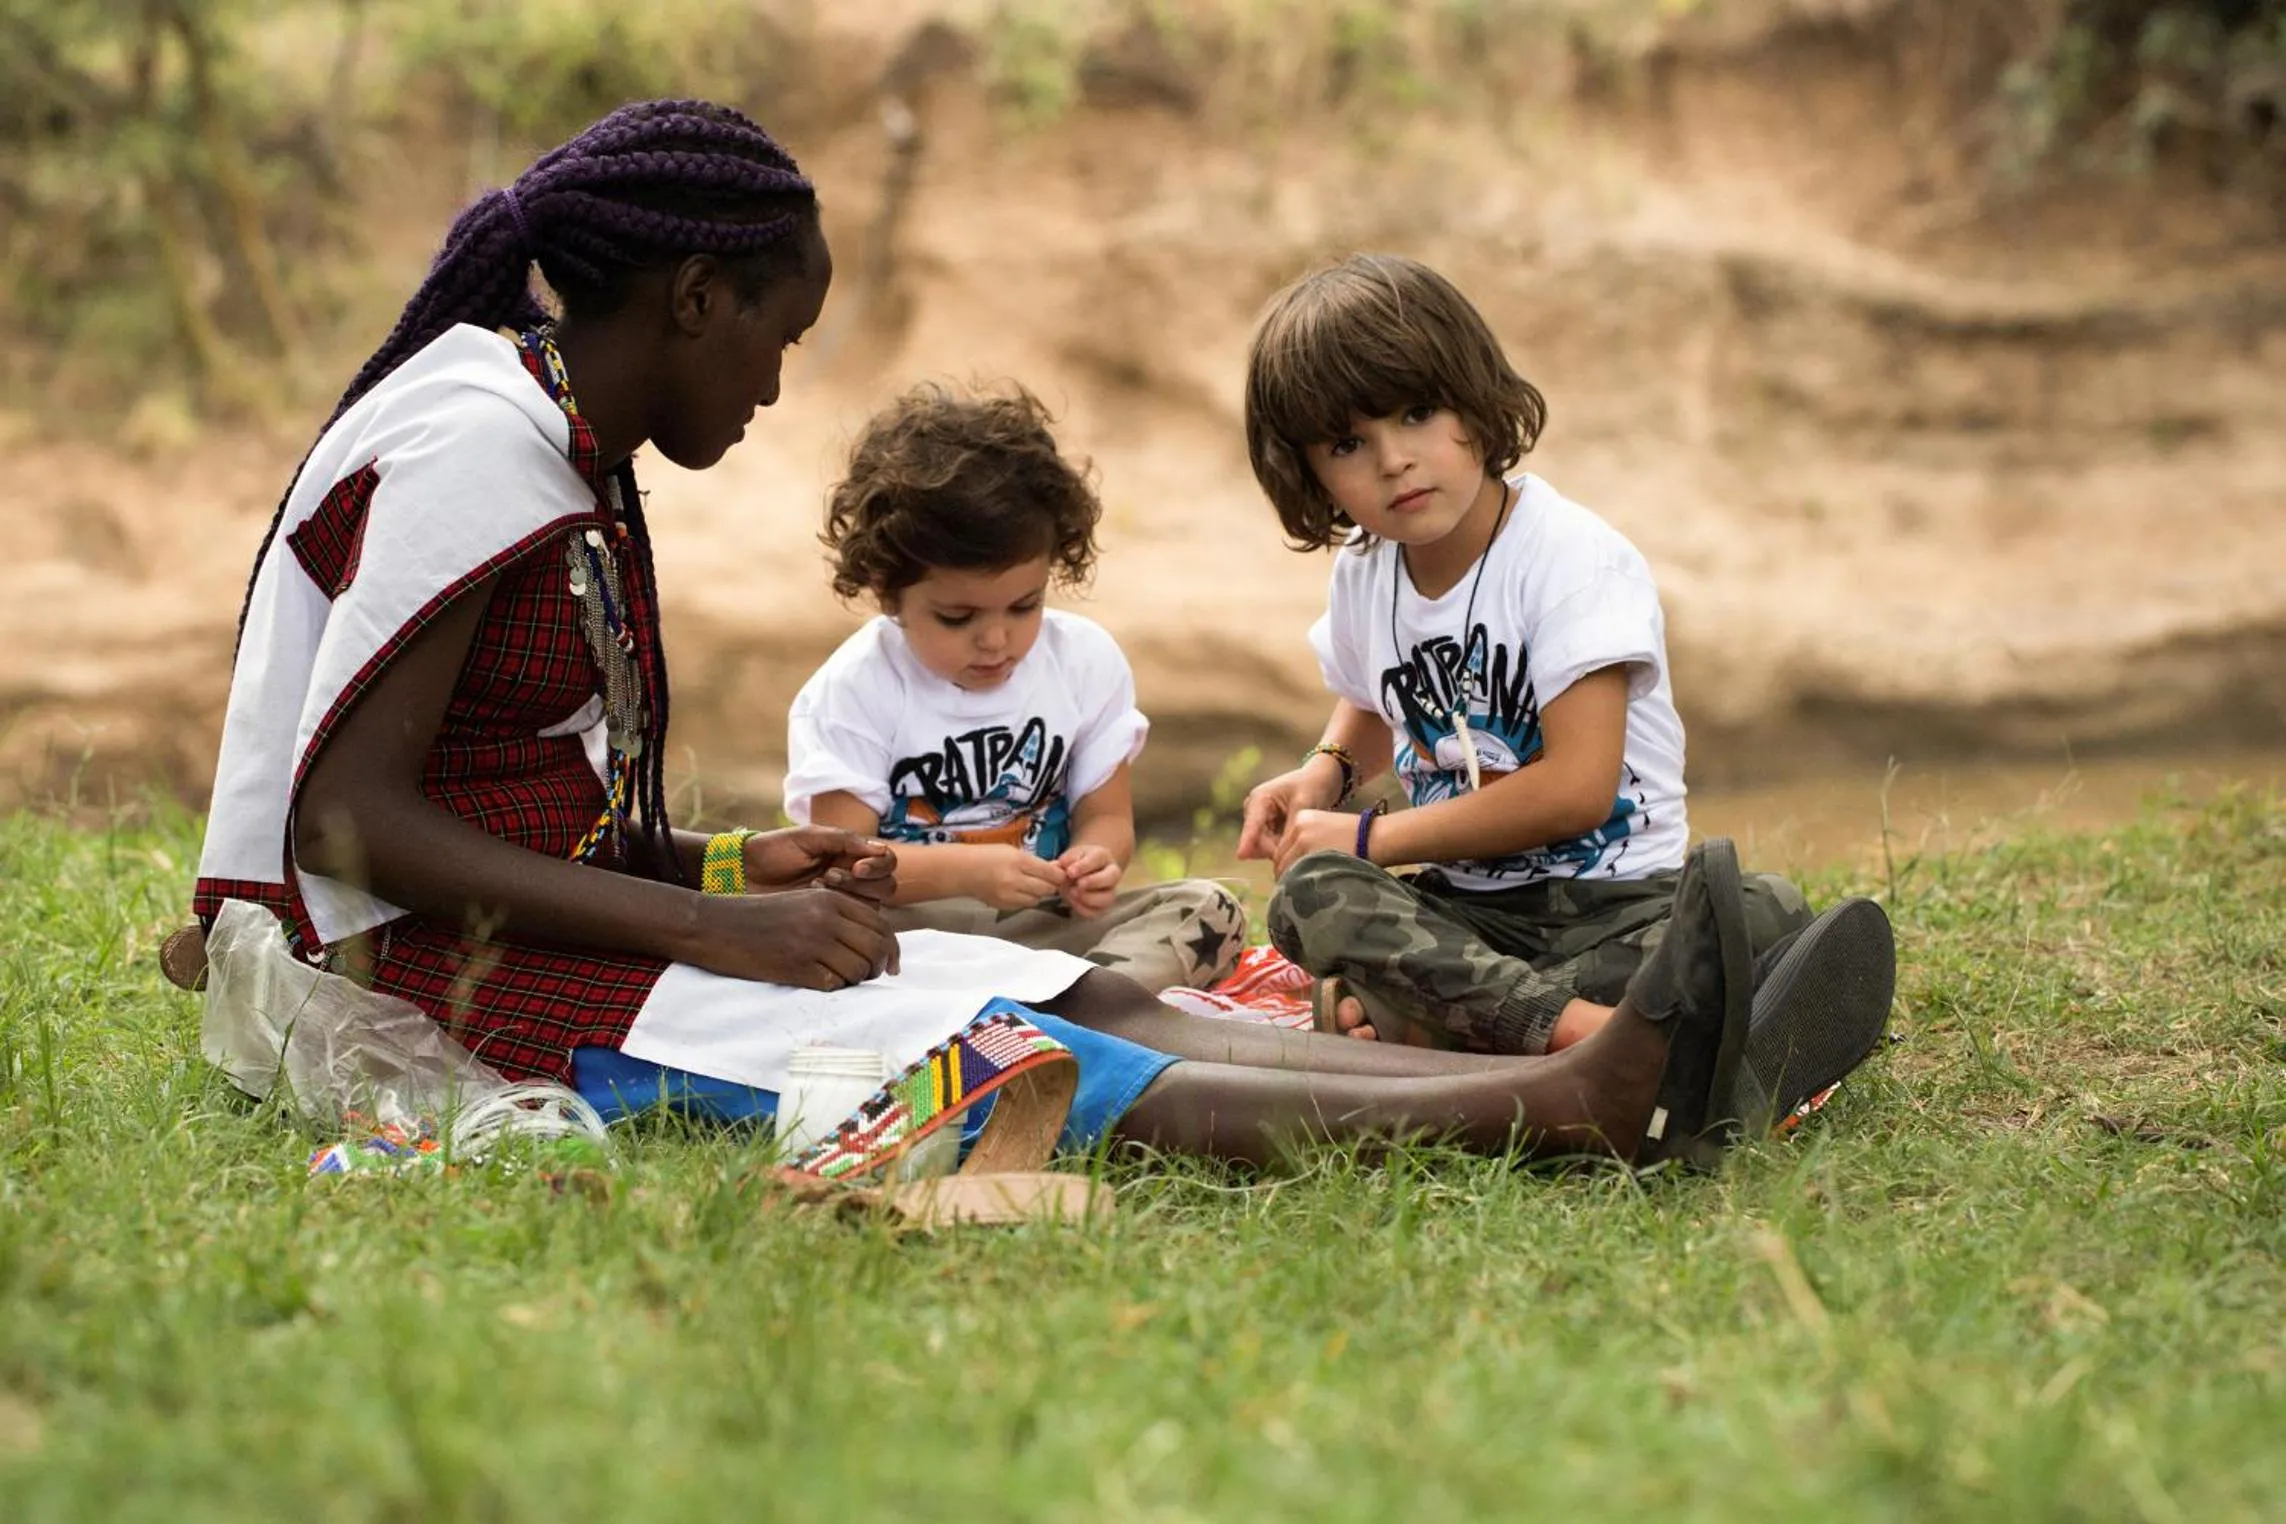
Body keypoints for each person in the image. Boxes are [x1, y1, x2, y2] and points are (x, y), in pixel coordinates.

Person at [186, 100, 1866, 1175]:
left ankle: (1605, 1054)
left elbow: (515, 793)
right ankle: (1575, 1102)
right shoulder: (484, 440)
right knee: (1035, 1052)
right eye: (778, 337)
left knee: (1053, 972)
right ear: (693, 300)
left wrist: (724, 871)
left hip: (548, 932)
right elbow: (357, 827)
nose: (775, 384)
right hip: (433, 989)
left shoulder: (549, 439)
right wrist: (714, 939)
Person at [1235, 253, 1892, 1122]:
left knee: (1756, 906)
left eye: (1418, 413)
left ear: (1472, 396)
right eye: (1349, 444)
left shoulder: (1569, 561)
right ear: (1308, 471)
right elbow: (1370, 696)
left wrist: (1370, 836)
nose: (1395, 461)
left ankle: (1451, 1028)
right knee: (1312, 898)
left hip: (1617, 908)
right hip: (1475, 915)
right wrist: (1325, 771)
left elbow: (1580, 789)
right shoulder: (1367, 573)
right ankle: (1614, 1041)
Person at [783, 382, 1244, 995]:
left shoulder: (1083, 662)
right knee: (827, 941)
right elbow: (842, 867)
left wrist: (1095, 863)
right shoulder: (855, 689)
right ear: (887, 589)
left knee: (1209, 909)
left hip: (1039, 930)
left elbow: (1106, 819)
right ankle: (1079, 1011)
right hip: (906, 941)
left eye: (1024, 606)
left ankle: (1084, 1001)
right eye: (958, 617)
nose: (996, 640)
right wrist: (968, 874)